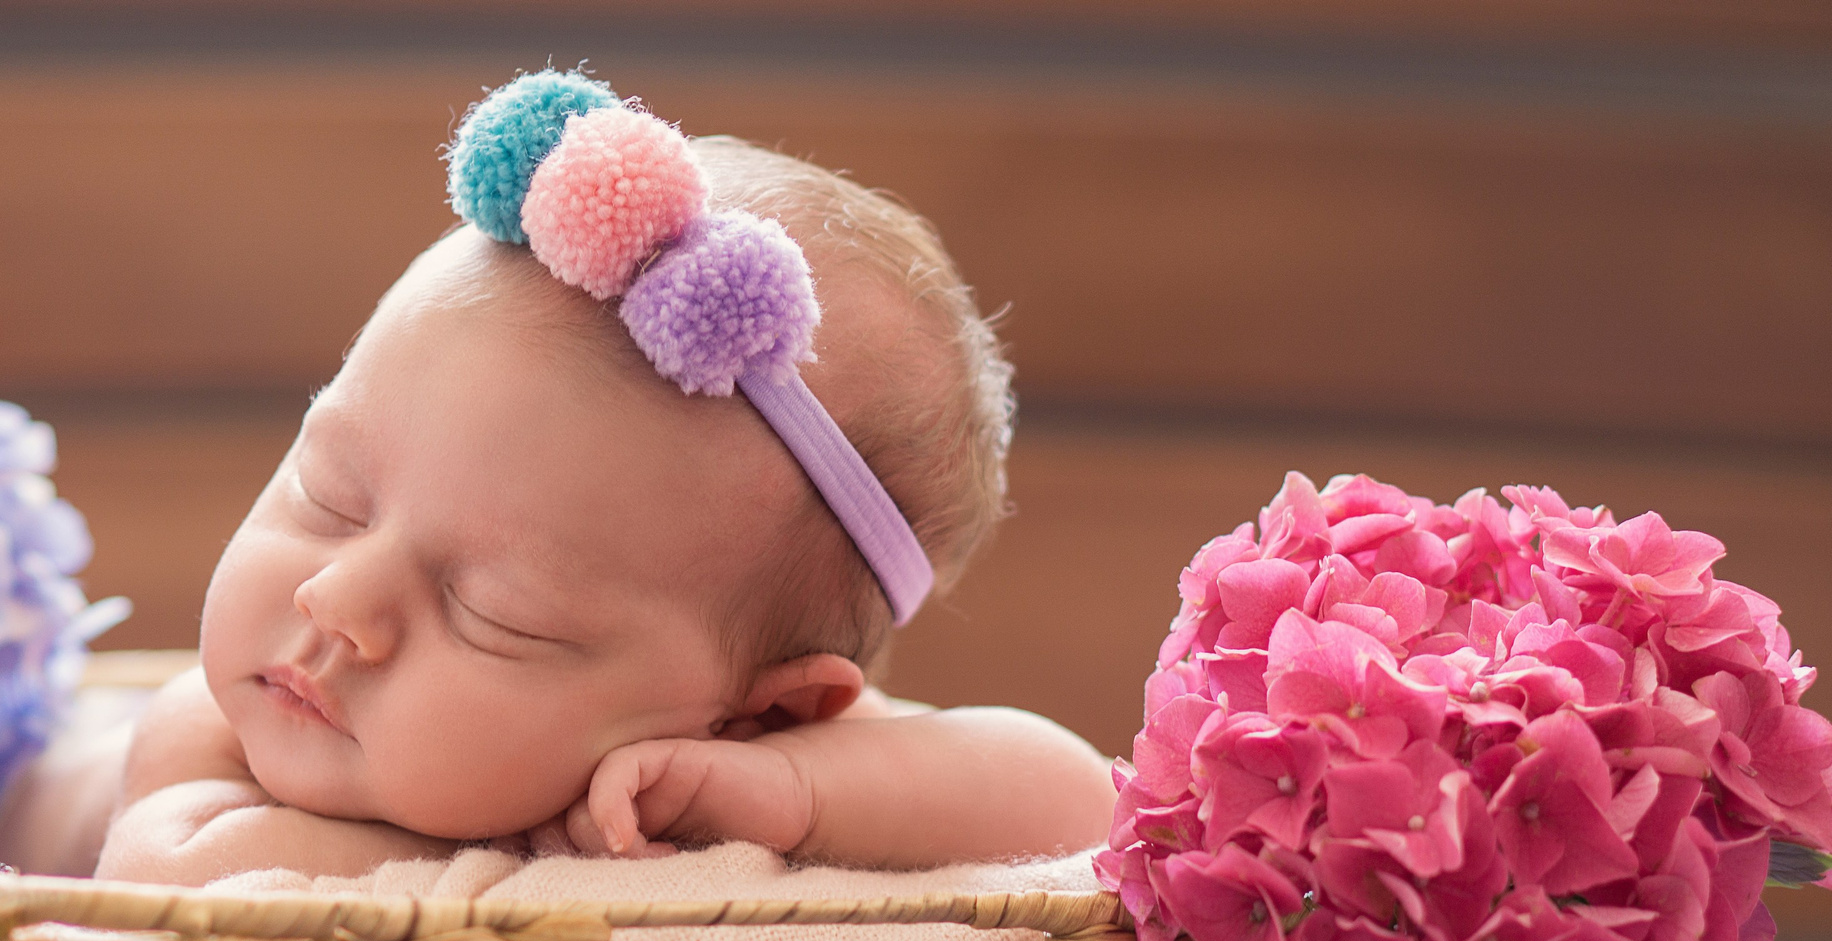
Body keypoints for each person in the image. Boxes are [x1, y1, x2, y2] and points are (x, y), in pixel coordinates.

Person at [90, 73, 1113, 886]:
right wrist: (542, 854)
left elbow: (1076, 805)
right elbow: (165, 878)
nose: (334, 597)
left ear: (757, 716)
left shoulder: (754, 763)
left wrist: (791, 794)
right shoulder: (223, 724)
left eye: (493, 612)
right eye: (328, 497)